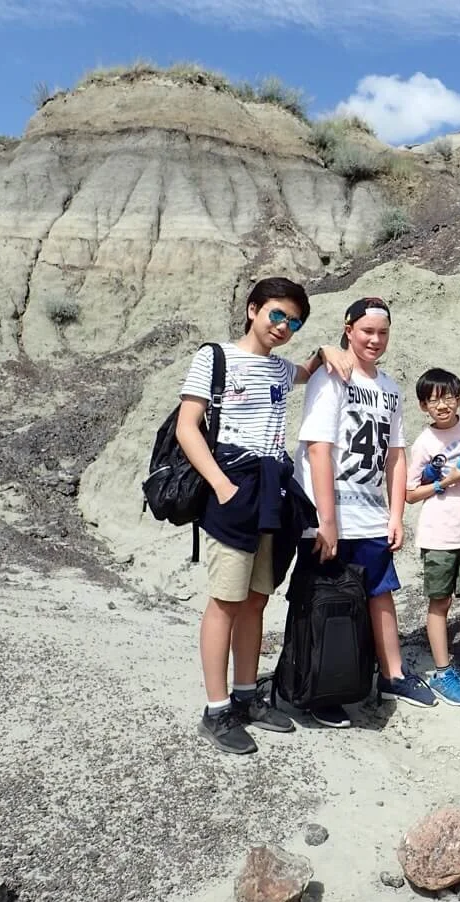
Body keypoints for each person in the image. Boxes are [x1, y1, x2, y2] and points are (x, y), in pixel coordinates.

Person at [177, 276, 327, 756]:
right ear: (253, 309)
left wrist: (327, 351)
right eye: (277, 315)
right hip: (233, 485)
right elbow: (187, 426)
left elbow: (306, 370)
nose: (284, 326)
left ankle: (246, 695)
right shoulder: (215, 358)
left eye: (294, 321)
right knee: (225, 599)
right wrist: (220, 485)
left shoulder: (282, 370)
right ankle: (217, 708)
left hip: (274, 490)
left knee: (258, 598)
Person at [293, 295, 436, 728]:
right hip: (330, 512)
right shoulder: (331, 378)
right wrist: (326, 519)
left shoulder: (390, 390)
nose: (375, 339)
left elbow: (395, 456)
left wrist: (396, 515)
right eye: (367, 331)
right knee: (324, 600)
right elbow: (318, 449)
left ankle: (391, 673)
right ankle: (319, 682)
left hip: (372, 512)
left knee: (380, 592)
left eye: (382, 333)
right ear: (349, 328)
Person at [405, 368, 460, 706]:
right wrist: (448, 479)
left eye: (448, 396)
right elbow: (410, 493)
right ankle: (443, 671)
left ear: (459, 397)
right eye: (433, 400)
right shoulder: (424, 443)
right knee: (440, 603)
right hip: (439, 536)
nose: (442, 405)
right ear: (424, 406)